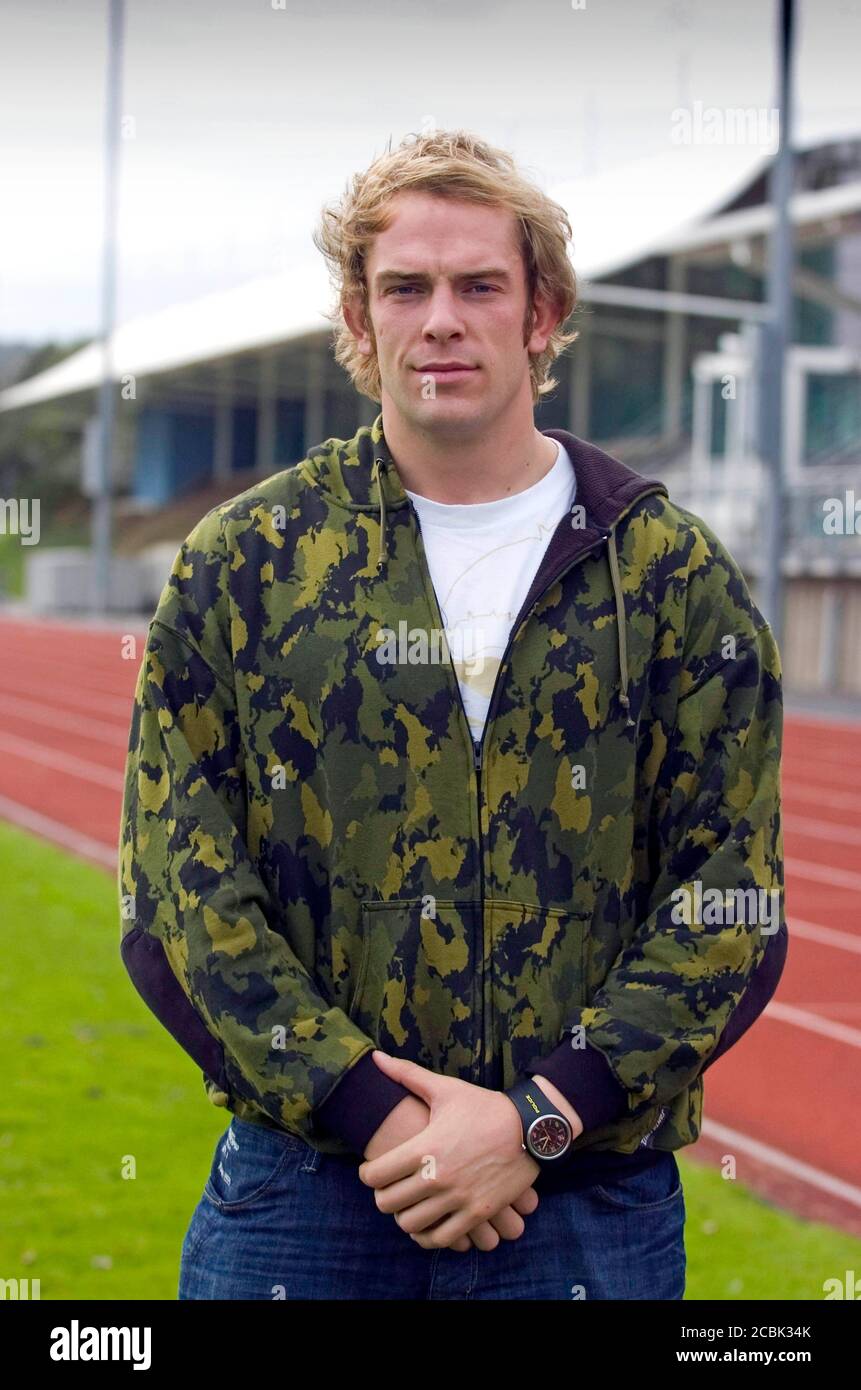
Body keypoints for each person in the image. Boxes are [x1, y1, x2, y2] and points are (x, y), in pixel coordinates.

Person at [118, 129, 787, 1301]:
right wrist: (368, 1108)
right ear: (359, 316)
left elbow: (729, 899)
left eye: (480, 285)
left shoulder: (670, 574)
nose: (441, 319)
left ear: (543, 313)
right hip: (311, 1196)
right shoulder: (248, 564)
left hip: (583, 1206)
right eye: (405, 288)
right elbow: (181, 885)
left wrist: (538, 1120)